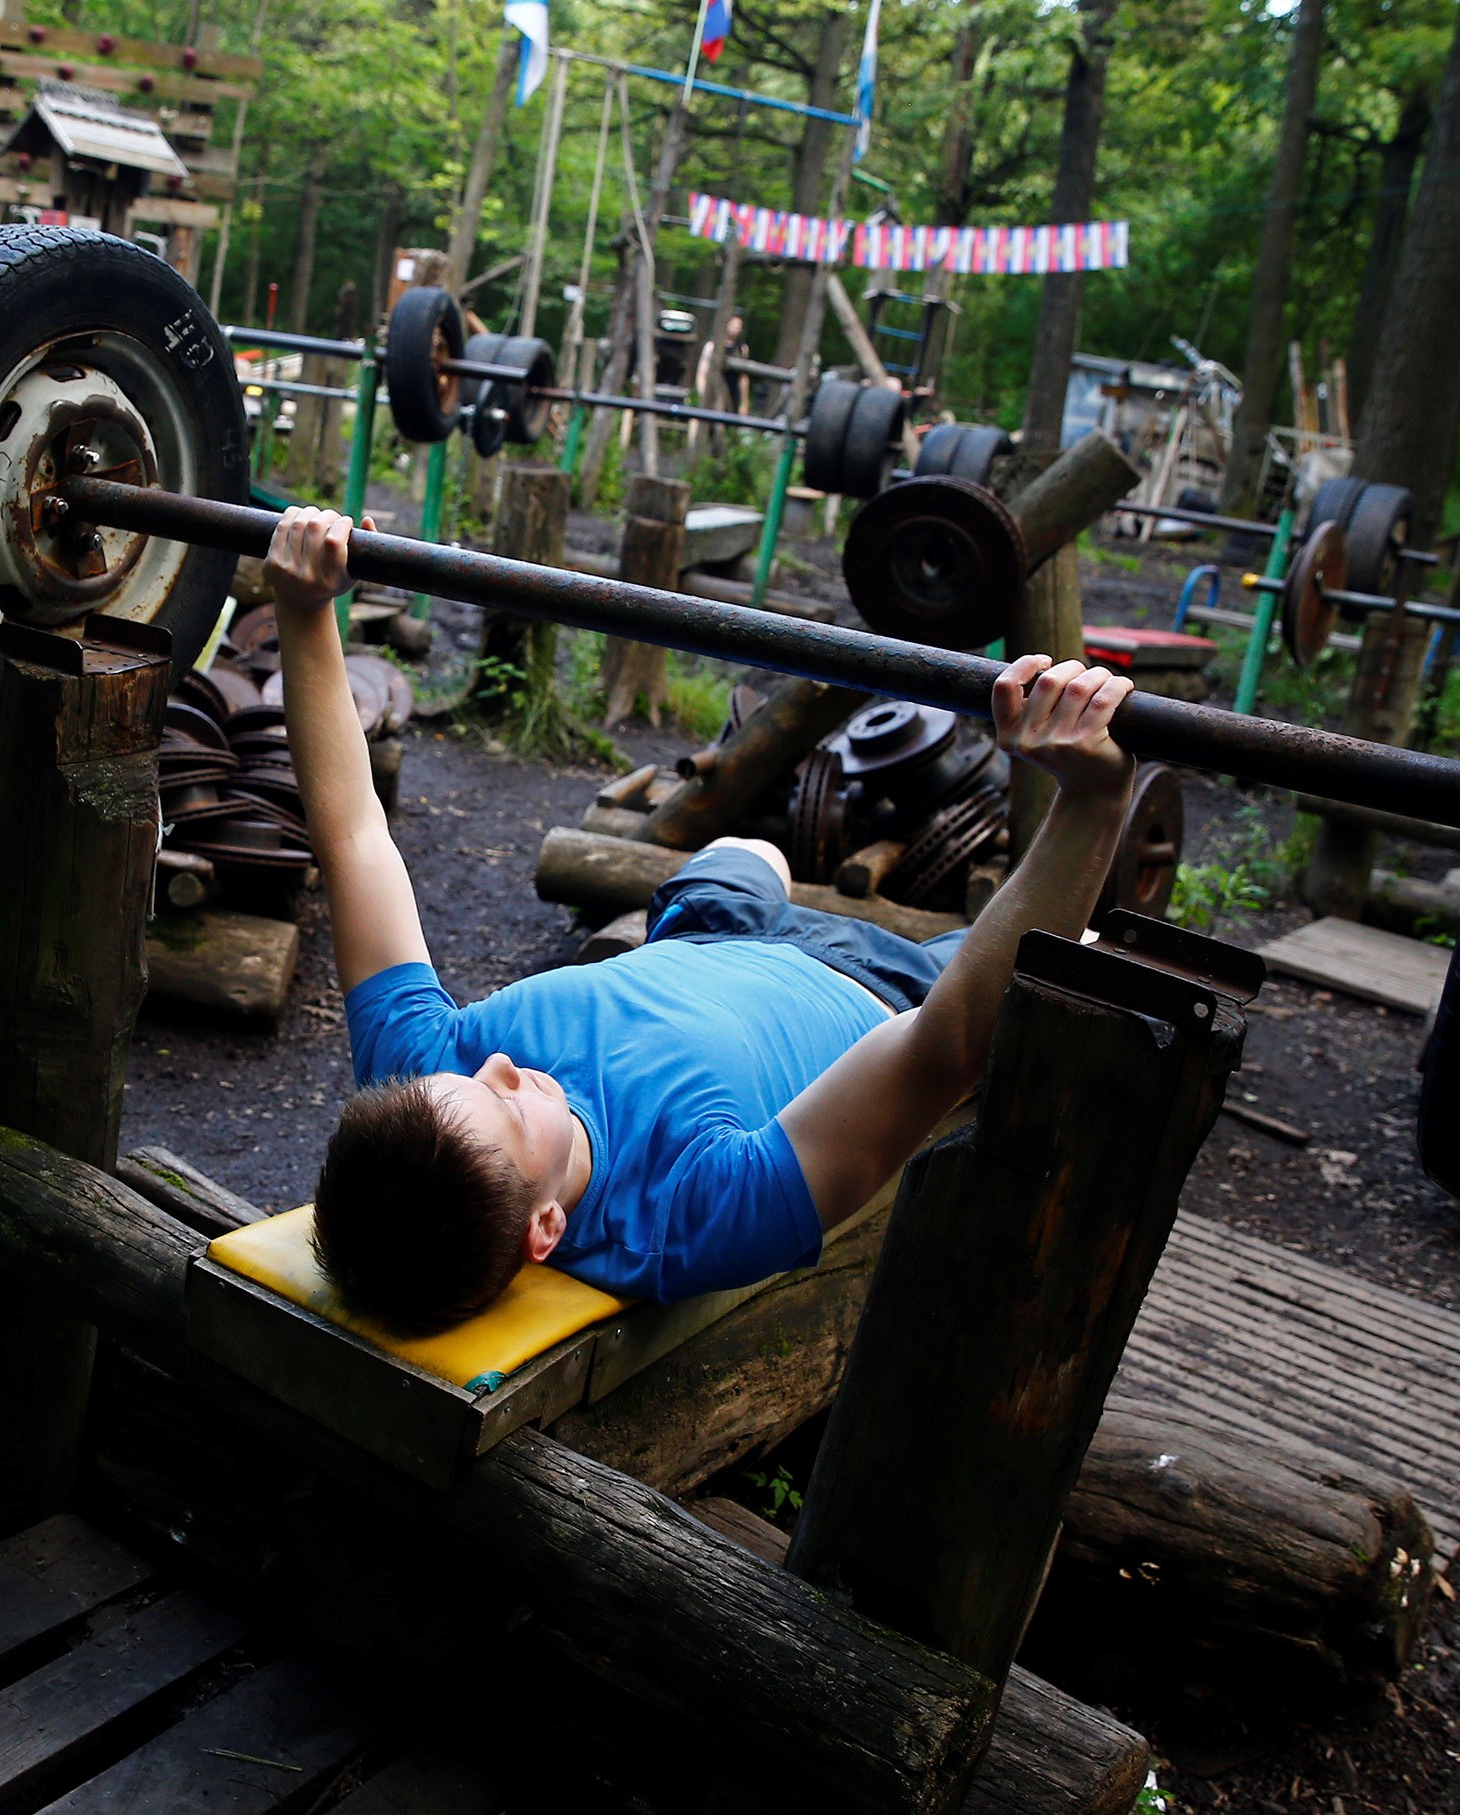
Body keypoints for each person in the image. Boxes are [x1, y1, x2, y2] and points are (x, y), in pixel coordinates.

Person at [271, 505, 1138, 1332]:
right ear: (545, 1231)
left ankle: (753, 879)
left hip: (704, 938)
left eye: (465, 1077)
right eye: (505, 1102)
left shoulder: (420, 1094)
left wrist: (304, 608)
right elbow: (939, 1048)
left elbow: (352, 839)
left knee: (747, 854)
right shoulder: (692, 1213)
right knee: (1084, 970)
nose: (495, 1062)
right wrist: (1094, 798)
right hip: (883, 989)